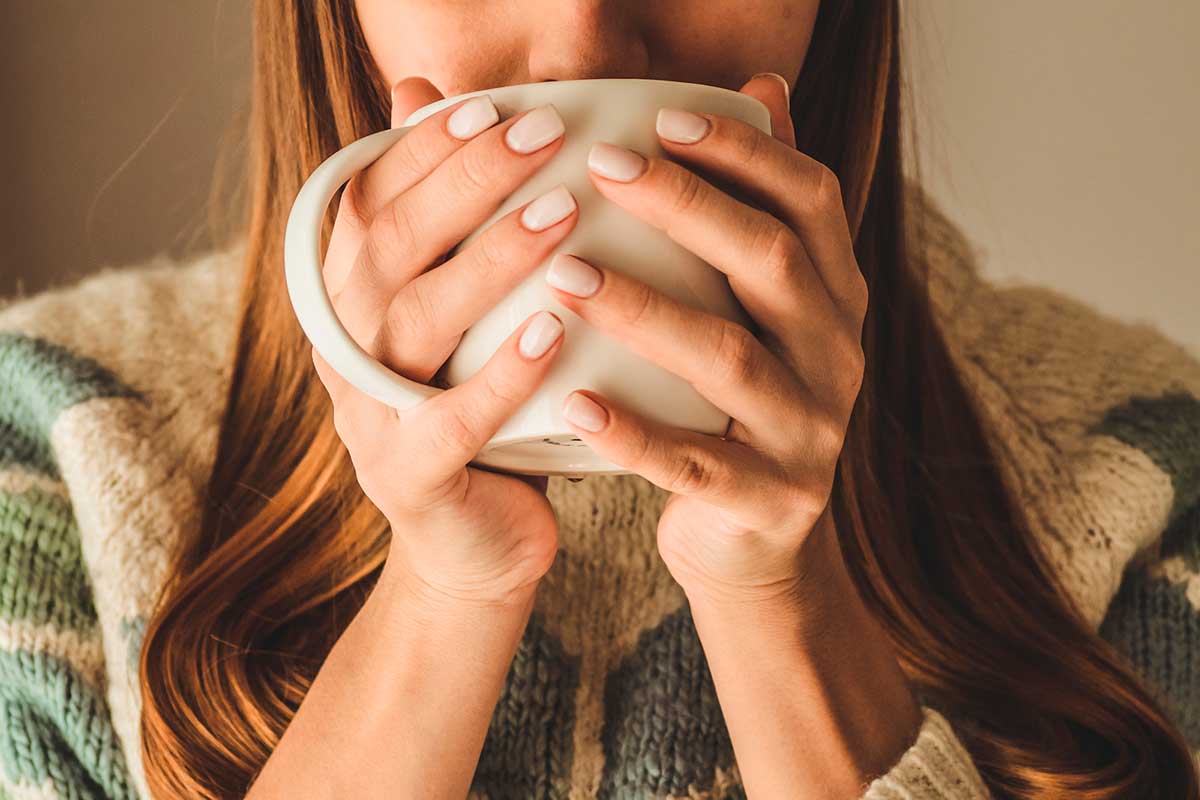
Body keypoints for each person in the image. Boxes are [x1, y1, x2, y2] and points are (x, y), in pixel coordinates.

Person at [1, 1, 1197, 798]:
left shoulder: (1145, 462)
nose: (583, 46)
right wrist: (444, 590)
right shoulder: (49, 439)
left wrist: (772, 584)